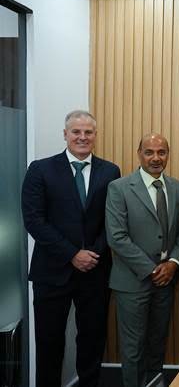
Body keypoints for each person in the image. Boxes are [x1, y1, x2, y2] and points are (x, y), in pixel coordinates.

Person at [21, 110, 120, 387]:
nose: (82, 137)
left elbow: (113, 220)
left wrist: (93, 254)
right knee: (49, 342)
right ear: (65, 134)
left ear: (96, 135)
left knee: (92, 340)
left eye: (88, 132)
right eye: (76, 132)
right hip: (52, 272)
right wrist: (72, 254)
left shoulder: (110, 171)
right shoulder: (40, 169)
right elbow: (34, 220)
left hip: (95, 271)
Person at [105, 134, 179, 387]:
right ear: (139, 154)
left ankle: (154, 383)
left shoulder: (176, 187)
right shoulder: (119, 187)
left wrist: (173, 263)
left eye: (161, 152)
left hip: (167, 280)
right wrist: (152, 270)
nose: (156, 158)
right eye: (149, 152)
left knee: (157, 341)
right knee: (133, 347)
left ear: (168, 155)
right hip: (133, 281)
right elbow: (117, 237)